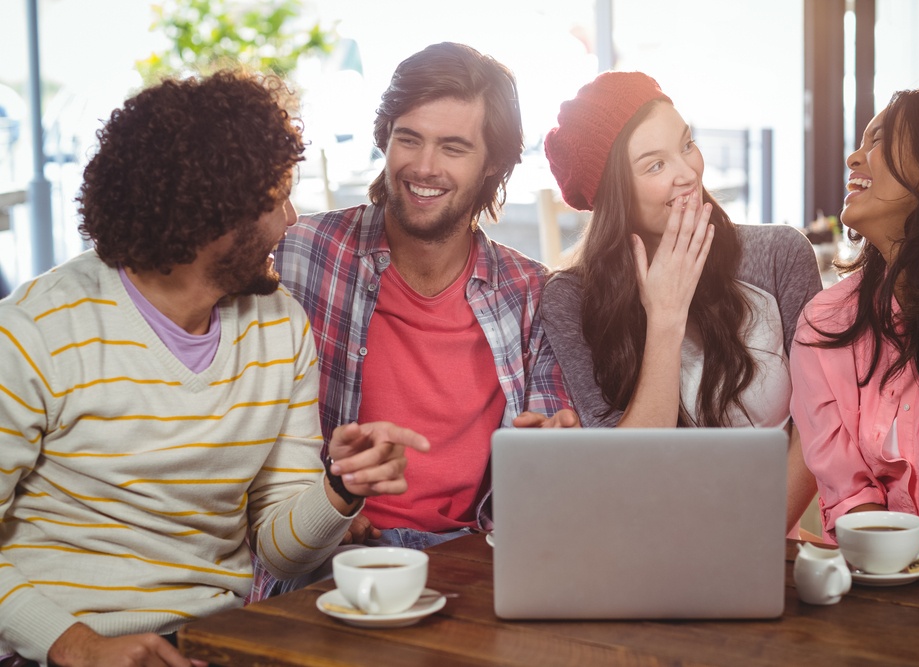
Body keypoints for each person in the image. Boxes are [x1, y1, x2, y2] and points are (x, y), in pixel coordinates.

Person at [0, 70, 428, 666]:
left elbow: (281, 554)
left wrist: (339, 489)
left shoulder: (279, 327)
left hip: (214, 643)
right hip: (55, 647)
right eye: (277, 198)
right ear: (216, 216)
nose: (292, 219)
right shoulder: (33, 332)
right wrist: (79, 647)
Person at [269, 42, 575, 580]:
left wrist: (548, 451)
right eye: (408, 139)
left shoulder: (530, 294)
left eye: (454, 148)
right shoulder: (299, 253)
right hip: (329, 553)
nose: (424, 167)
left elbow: (547, 466)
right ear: (385, 139)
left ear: (494, 165)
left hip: (471, 557)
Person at [540, 71, 820, 534]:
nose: (688, 173)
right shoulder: (570, 298)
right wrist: (665, 318)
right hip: (646, 539)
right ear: (615, 195)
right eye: (654, 165)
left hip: (770, 537)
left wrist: (756, 542)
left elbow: (820, 426)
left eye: (686, 144)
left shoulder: (780, 255)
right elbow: (625, 468)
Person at [790, 86, 919, 566]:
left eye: (879, 140)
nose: (853, 157)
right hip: (886, 590)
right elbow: (846, 490)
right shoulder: (824, 323)